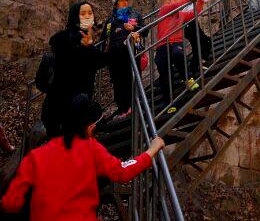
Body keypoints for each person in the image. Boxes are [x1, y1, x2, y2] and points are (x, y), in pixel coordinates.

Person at [1, 94, 164, 221]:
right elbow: (122, 172)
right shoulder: (91, 149)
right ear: (90, 127)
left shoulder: (34, 157)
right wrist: (151, 150)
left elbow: (10, 202)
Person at [40, 1, 108, 139]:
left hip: (79, 107)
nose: (88, 16)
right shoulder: (66, 38)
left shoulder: (88, 42)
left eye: (90, 13)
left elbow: (100, 61)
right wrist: (78, 42)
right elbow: (56, 42)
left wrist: (89, 46)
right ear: (75, 17)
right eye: (83, 14)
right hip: (59, 106)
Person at [155, 0, 202, 114]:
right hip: (162, 46)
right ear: (169, 1)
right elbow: (179, 4)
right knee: (164, 73)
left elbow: (195, 13)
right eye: (174, 1)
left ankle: (188, 78)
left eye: (179, 1)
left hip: (176, 43)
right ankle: (168, 103)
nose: (177, 3)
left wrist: (200, 0)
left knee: (177, 53)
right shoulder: (164, 9)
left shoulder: (181, 15)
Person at [102, 0, 144, 118]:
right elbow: (104, 38)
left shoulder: (134, 15)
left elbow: (145, 30)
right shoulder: (110, 21)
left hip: (130, 52)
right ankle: (122, 109)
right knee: (118, 82)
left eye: (126, 0)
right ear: (116, 4)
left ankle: (134, 106)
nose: (125, 2)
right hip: (115, 54)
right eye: (121, 0)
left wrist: (135, 27)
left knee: (132, 78)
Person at [181, 0, 224, 77]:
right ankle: (191, 73)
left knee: (204, 41)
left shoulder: (190, 1)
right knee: (199, 46)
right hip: (189, 25)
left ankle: (202, 62)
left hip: (189, 25)